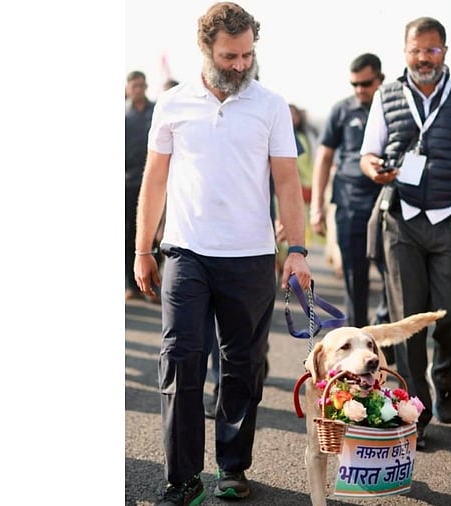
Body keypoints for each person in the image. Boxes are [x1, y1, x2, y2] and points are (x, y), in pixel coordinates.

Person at [133, 3, 311, 504]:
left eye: (247, 55)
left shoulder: (270, 104)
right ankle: (182, 478)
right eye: (230, 55)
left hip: (251, 257)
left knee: (242, 366)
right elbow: (155, 178)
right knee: (181, 360)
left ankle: (232, 467)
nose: (240, 65)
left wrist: (296, 249)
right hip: (186, 253)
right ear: (206, 50)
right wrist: (142, 248)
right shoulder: (173, 104)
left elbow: (286, 181)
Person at [359, 16, 451, 450]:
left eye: (432, 50)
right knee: (408, 322)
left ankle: (447, 385)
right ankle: (417, 412)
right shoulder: (387, 95)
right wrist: (374, 171)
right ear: (405, 52)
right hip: (401, 219)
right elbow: (368, 153)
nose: (423, 58)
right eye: (416, 50)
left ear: (445, 53)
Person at [310, 53, 390, 329]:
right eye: (354, 84)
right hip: (349, 205)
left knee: (396, 280)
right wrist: (316, 207)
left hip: (386, 205)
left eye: (366, 83)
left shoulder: (394, 107)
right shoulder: (342, 110)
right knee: (355, 282)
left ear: (380, 79)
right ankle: (358, 342)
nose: (360, 90)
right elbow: (324, 158)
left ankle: (382, 330)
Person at [125, 70, 156, 302]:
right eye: (134, 86)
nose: (138, 89)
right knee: (129, 236)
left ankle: (154, 286)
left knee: (156, 235)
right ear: (128, 88)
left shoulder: (156, 112)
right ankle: (131, 285)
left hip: (155, 183)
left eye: (142, 85)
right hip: (128, 184)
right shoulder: (122, 115)